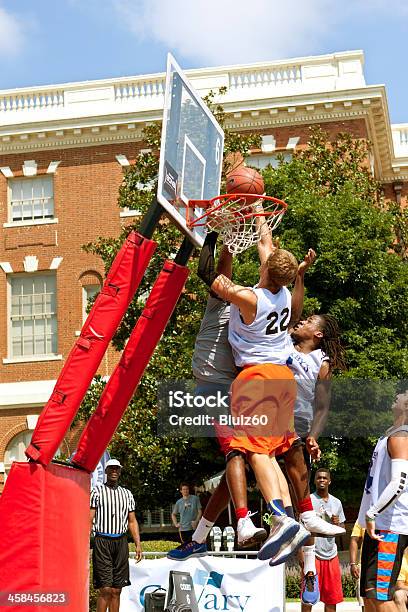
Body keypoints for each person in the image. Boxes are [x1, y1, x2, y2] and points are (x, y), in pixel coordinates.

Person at [358, 390, 408, 611]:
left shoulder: (401, 436)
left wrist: (372, 513)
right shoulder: (390, 434)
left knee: (381, 596)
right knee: (370, 597)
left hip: (389, 526)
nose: (397, 394)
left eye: (403, 394)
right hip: (381, 526)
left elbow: (400, 482)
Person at [90, 459, 142, 612]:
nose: (114, 471)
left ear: (120, 472)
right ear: (106, 471)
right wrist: (86, 543)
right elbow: (89, 519)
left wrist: (138, 544)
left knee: (116, 590)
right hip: (102, 541)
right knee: (105, 589)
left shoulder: (127, 494)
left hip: (121, 542)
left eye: (117, 469)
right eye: (111, 468)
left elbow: (132, 521)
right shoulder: (97, 491)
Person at [302, 467, 346, 612]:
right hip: (313, 554)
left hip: (331, 554)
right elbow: (300, 529)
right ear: (314, 481)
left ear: (329, 481)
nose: (322, 480)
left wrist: (337, 523)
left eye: (324, 478)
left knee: (331, 599)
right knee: (308, 598)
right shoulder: (309, 501)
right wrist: (300, 556)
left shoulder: (337, 502)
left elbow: (342, 529)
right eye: (319, 478)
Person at [349, 521, 366, 610]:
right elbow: (354, 539)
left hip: (389, 566)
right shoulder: (362, 517)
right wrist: (353, 564)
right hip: (365, 568)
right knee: (365, 604)